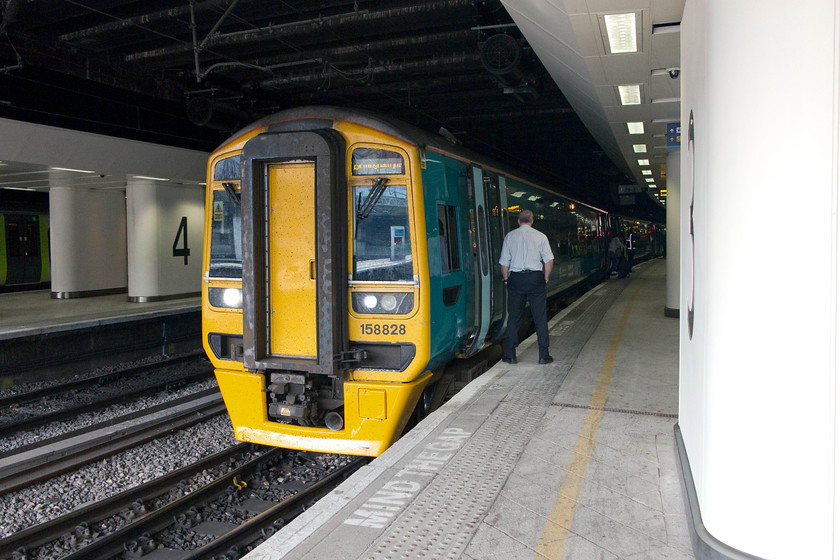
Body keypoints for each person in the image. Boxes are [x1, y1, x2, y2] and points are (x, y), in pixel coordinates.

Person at [499, 209, 555, 364]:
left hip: (516, 279)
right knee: (540, 318)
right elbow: (549, 261)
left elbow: (504, 263)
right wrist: (545, 278)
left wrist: (506, 280)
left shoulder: (510, 236)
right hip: (535, 278)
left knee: (514, 318)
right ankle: (544, 356)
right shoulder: (541, 236)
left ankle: (510, 355)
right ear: (532, 221)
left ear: (518, 221)